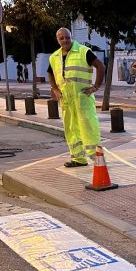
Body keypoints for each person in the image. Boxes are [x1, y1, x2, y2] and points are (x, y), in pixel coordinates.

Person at [47, 28, 106, 167]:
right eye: (61, 38)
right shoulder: (54, 57)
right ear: (57, 40)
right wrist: (55, 89)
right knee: (71, 130)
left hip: (82, 99)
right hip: (67, 101)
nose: (65, 40)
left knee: (89, 128)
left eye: (67, 37)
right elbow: (50, 73)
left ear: (71, 37)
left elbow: (100, 66)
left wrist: (95, 87)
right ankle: (78, 159)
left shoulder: (83, 51)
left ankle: (98, 160)